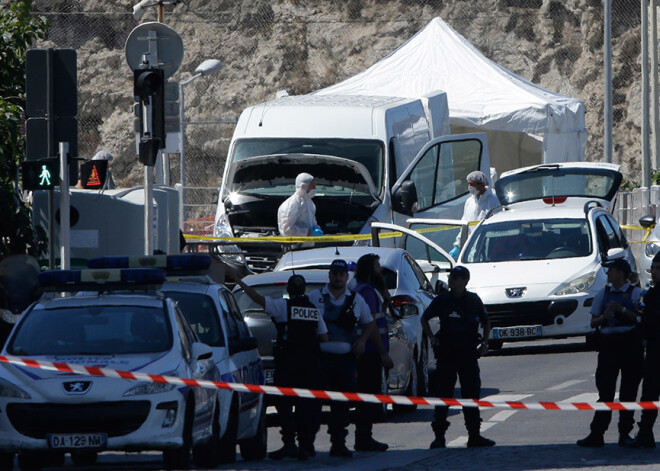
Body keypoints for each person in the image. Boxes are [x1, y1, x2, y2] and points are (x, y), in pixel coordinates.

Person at [230, 268, 328, 461]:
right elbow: (324, 336)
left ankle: (290, 444)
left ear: (290, 290)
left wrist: (239, 282)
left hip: (288, 364)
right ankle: (306, 446)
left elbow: (258, 299)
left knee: (284, 405)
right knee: (305, 406)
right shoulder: (313, 310)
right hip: (309, 366)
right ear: (305, 290)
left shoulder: (283, 307)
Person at [420, 265, 495, 448]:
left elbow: (486, 321)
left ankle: (474, 436)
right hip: (447, 354)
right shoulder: (442, 300)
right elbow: (425, 318)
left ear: (464, 281)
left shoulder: (473, 300)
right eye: (451, 277)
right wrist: (432, 338)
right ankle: (439, 437)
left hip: (468, 354)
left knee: (471, 395)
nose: (450, 280)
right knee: (443, 395)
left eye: (454, 278)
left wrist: (484, 343)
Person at [307, 259, 375, 458]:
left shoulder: (356, 299)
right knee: (313, 404)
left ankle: (338, 443)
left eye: (341, 274)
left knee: (341, 405)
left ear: (347, 276)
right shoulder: (314, 297)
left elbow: (369, 323)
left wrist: (362, 341)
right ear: (329, 275)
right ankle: (308, 442)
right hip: (320, 360)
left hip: (345, 361)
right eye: (334, 273)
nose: (337, 277)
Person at [577, 258, 643, 448]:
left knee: (628, 393)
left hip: (630, 344)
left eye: (612, 271)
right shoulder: (602, 294)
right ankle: (597, 434)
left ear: (621, 273)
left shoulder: (635, 293)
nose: (609, 275)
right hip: (608, 346)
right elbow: (593, 322)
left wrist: (621, 310)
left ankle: (625, 434)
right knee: (605, 392)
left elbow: (640, 318)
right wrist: (603, 317)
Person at [351, 254, 394, 452]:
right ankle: (363, 437)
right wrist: (383, 354)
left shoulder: (367, 290)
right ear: (370, 270)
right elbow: (373, 325)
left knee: (367, 396)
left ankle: (364, 436)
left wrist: (385, 296)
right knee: (368, 396)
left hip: (368, 351)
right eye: (377, 267)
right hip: (369, 352)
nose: (380, 271)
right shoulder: (367, 291)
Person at [624, 252, 660, 448]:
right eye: (653, 268)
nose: (654, 272)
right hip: (654, 350)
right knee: (649, 394)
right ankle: (645, 432)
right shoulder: (653, 292)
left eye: (658, 269)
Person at [449, 170, 500, 260]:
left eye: (472, 184)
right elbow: (465, 226)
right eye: (469, 184)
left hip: (489, 247)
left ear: (481, 185)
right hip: (472, 246)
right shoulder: (469, 202)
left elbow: (498, 227)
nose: (470, 187)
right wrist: (457, 246)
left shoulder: (493, 200)